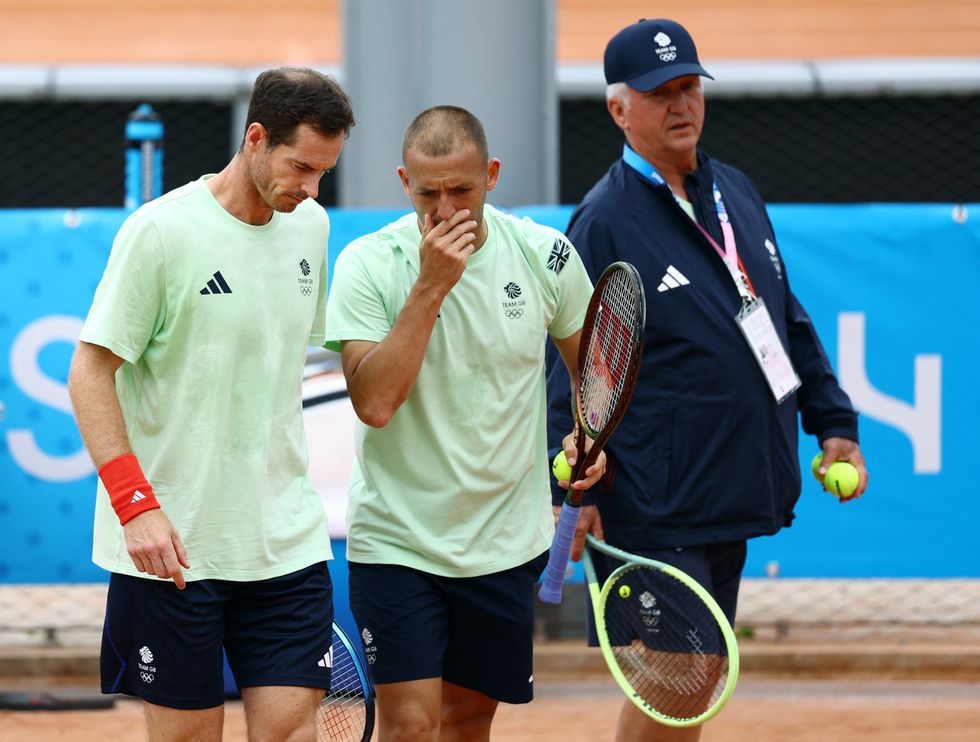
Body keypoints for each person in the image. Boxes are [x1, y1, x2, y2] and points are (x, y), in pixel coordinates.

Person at [545, 19, 869, 742]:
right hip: (654, 497)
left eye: (689, 87)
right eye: (660, 93)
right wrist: (571, 485)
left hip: (730, 483)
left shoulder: (736, 192)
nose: (681, 104)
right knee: (678, 679)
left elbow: (784, 319)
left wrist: (835, 424)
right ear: (618, 109)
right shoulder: (603, 221)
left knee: (697, 679)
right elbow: (573, 360)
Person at [67, 67, 354, 741]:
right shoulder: (160, 233)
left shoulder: (308, 227)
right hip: (172, 551)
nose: (312, 189)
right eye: (300, 167)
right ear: (255, 138)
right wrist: (136, 506)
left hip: (284, 543)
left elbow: (287, 367)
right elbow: (90, 371)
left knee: (290, 733)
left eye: (324, 173)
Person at [323, 105, 603, 742]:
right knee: (411, 727)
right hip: (397, 539)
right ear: (404, 182)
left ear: (492, 175)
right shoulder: (369, 263)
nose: (446, 210)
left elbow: (594, 372)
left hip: (504, 541)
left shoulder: (544, 256)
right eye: (429, 193)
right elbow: (374, 403)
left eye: (462, 190)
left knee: (469, 723)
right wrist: (430, 287)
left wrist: (586, 434)